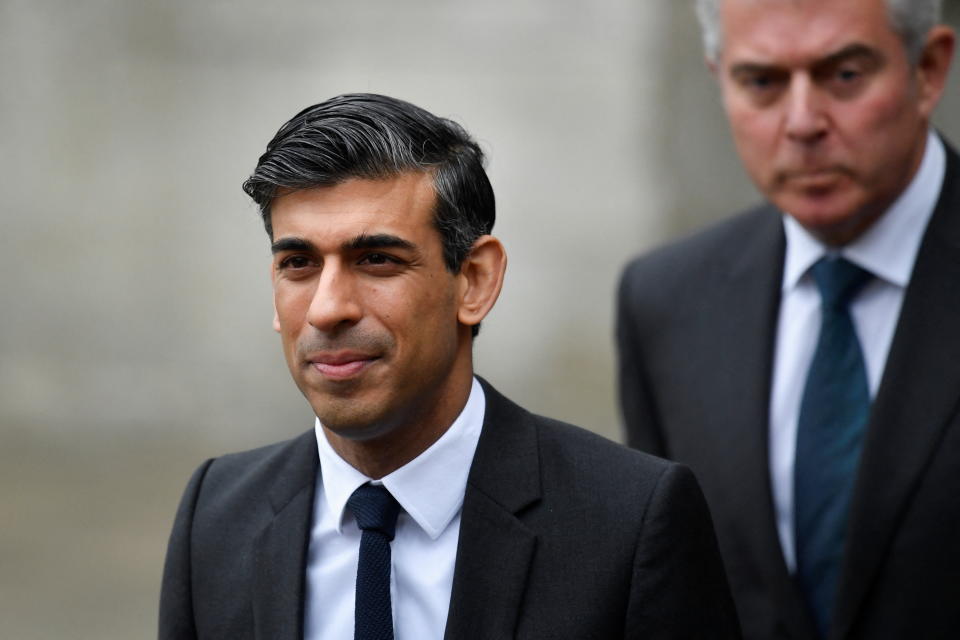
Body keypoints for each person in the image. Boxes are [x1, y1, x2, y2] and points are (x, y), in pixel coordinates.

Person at [160, 93, 739, 639]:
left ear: (475, 281)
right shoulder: (216, 514)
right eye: (299, 262)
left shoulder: (629, 522)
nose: (328, 307)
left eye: (378, 259)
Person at [616, 0, 958, 638]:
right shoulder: (665, 299)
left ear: (928, 69)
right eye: (763, 82)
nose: (803, 122)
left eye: (845, 75)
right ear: (719, 77)